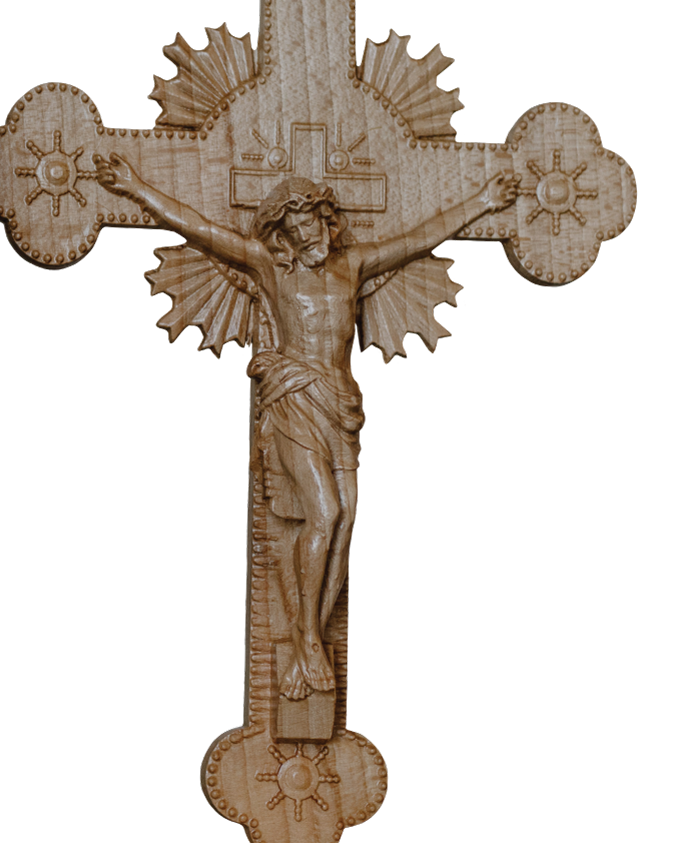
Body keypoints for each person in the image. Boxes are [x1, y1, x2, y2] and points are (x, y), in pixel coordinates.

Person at [92, 152, 520, 699]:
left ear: (326, 217)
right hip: (295, 396)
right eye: (293, 229)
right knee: (325, 512)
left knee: (346, 520)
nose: (304, 235)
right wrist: (135, 188)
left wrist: (482, 201)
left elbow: (419, 238)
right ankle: (306, 641)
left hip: (339, 400)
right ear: (282, 234)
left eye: (310, 223)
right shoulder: (271, 268)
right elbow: (199, 227)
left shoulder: (354, 265)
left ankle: (308, 633)